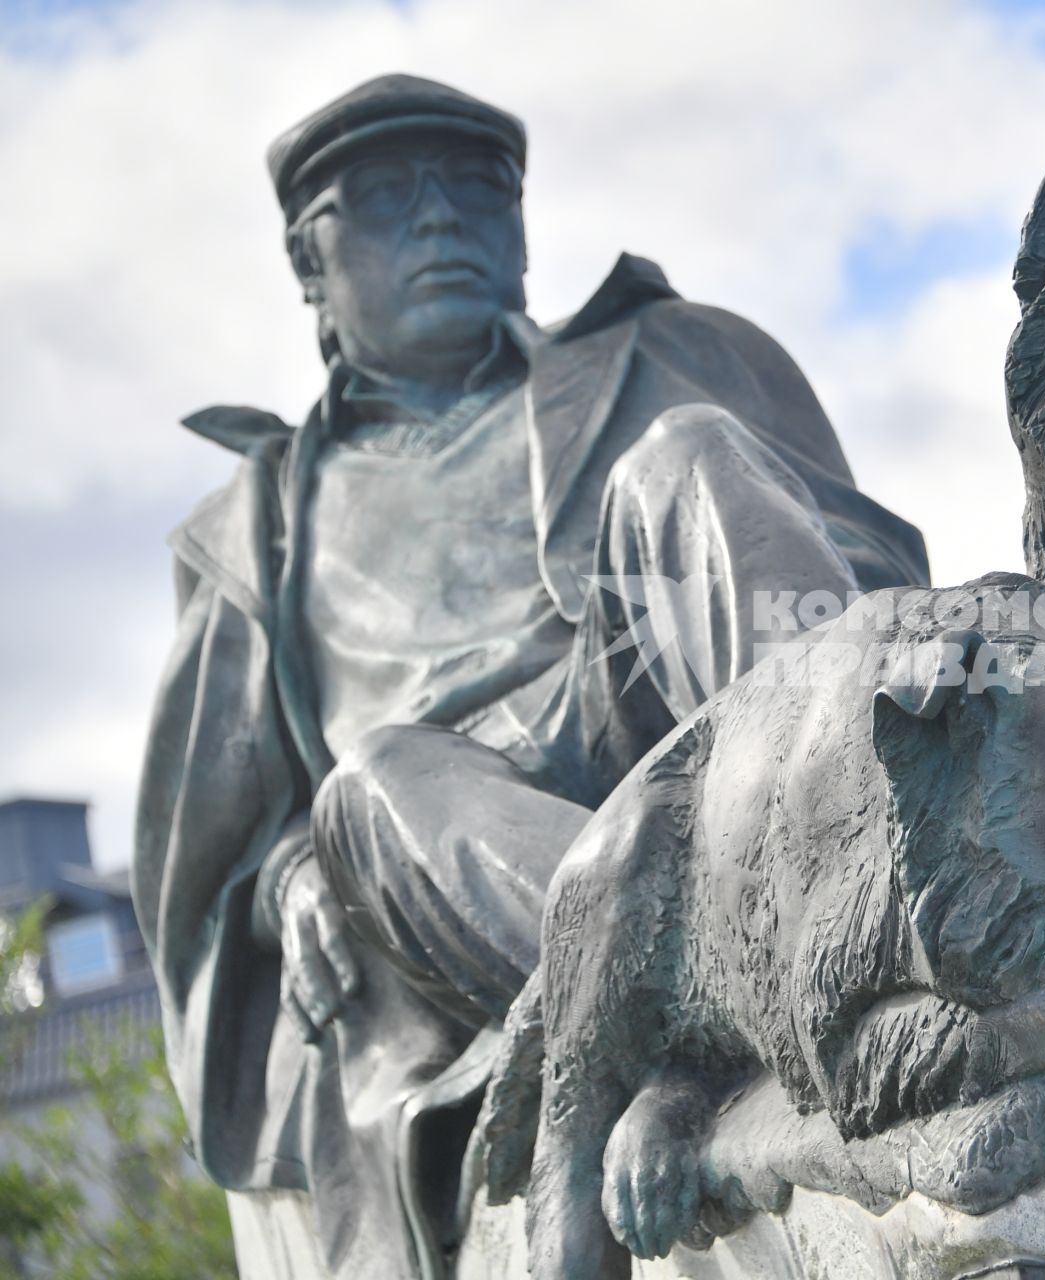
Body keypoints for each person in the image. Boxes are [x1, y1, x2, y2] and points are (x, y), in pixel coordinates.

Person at [131, 73, 926, 1278]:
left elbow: (859, 586)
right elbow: (212, 854)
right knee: (375, 777)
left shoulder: (665, 351)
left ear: (520, 229)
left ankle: (863, 889)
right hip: (447, 850)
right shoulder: (252, 529)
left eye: (475, 192)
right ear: (313, 265)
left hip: (685, 753)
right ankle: (707, 998)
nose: (443, 222)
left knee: (690, 450)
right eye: (389, 199)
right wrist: (289, 875)